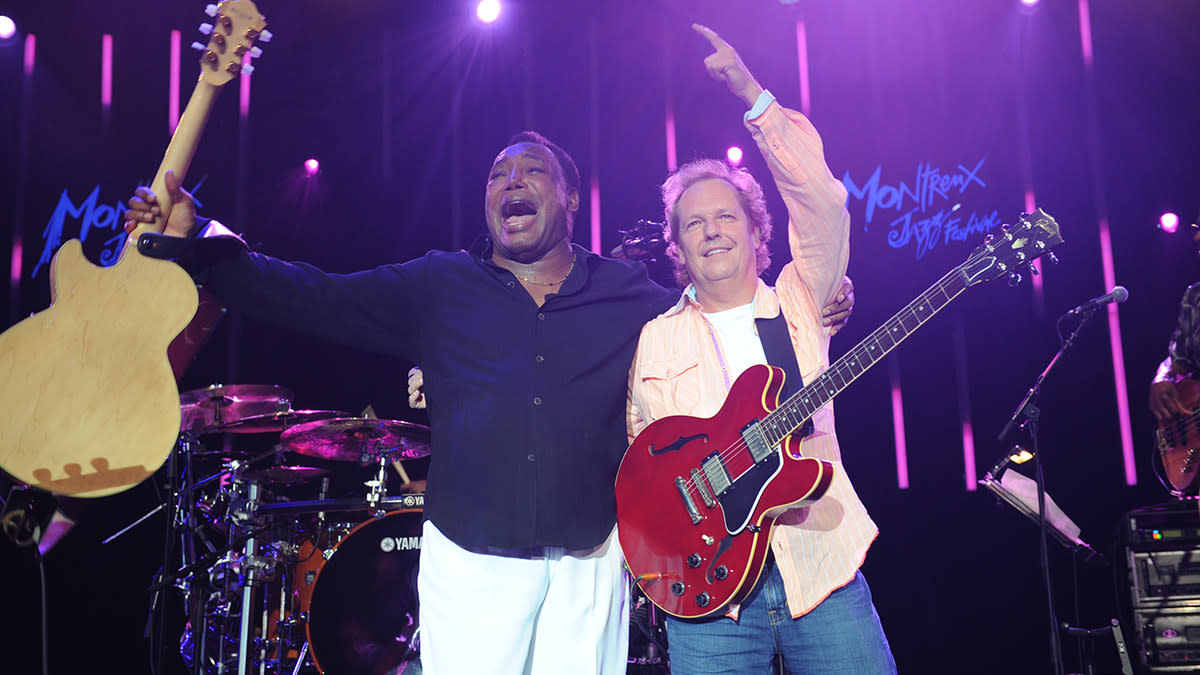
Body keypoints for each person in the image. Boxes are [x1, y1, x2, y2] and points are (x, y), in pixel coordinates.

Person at [126, 46, 855, 675]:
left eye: (531, 170)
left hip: (588, 558)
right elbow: (313, 295)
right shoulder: (440, 284)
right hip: (470, 555)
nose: (511, 182)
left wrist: (819, 302)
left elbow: (721, 310)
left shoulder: (632, 295)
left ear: (568, 195)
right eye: (498, 174)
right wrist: (196, 245)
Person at [625, 25, 895, 674]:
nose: (711, 229)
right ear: (677, 246)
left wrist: (752, 97)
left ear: (755, 229)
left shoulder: (800, 299)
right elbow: (646, 464)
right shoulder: (656, 338)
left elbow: (825, 204)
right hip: (710, 598)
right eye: (694, 222)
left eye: (725, 216)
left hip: (821, 566)